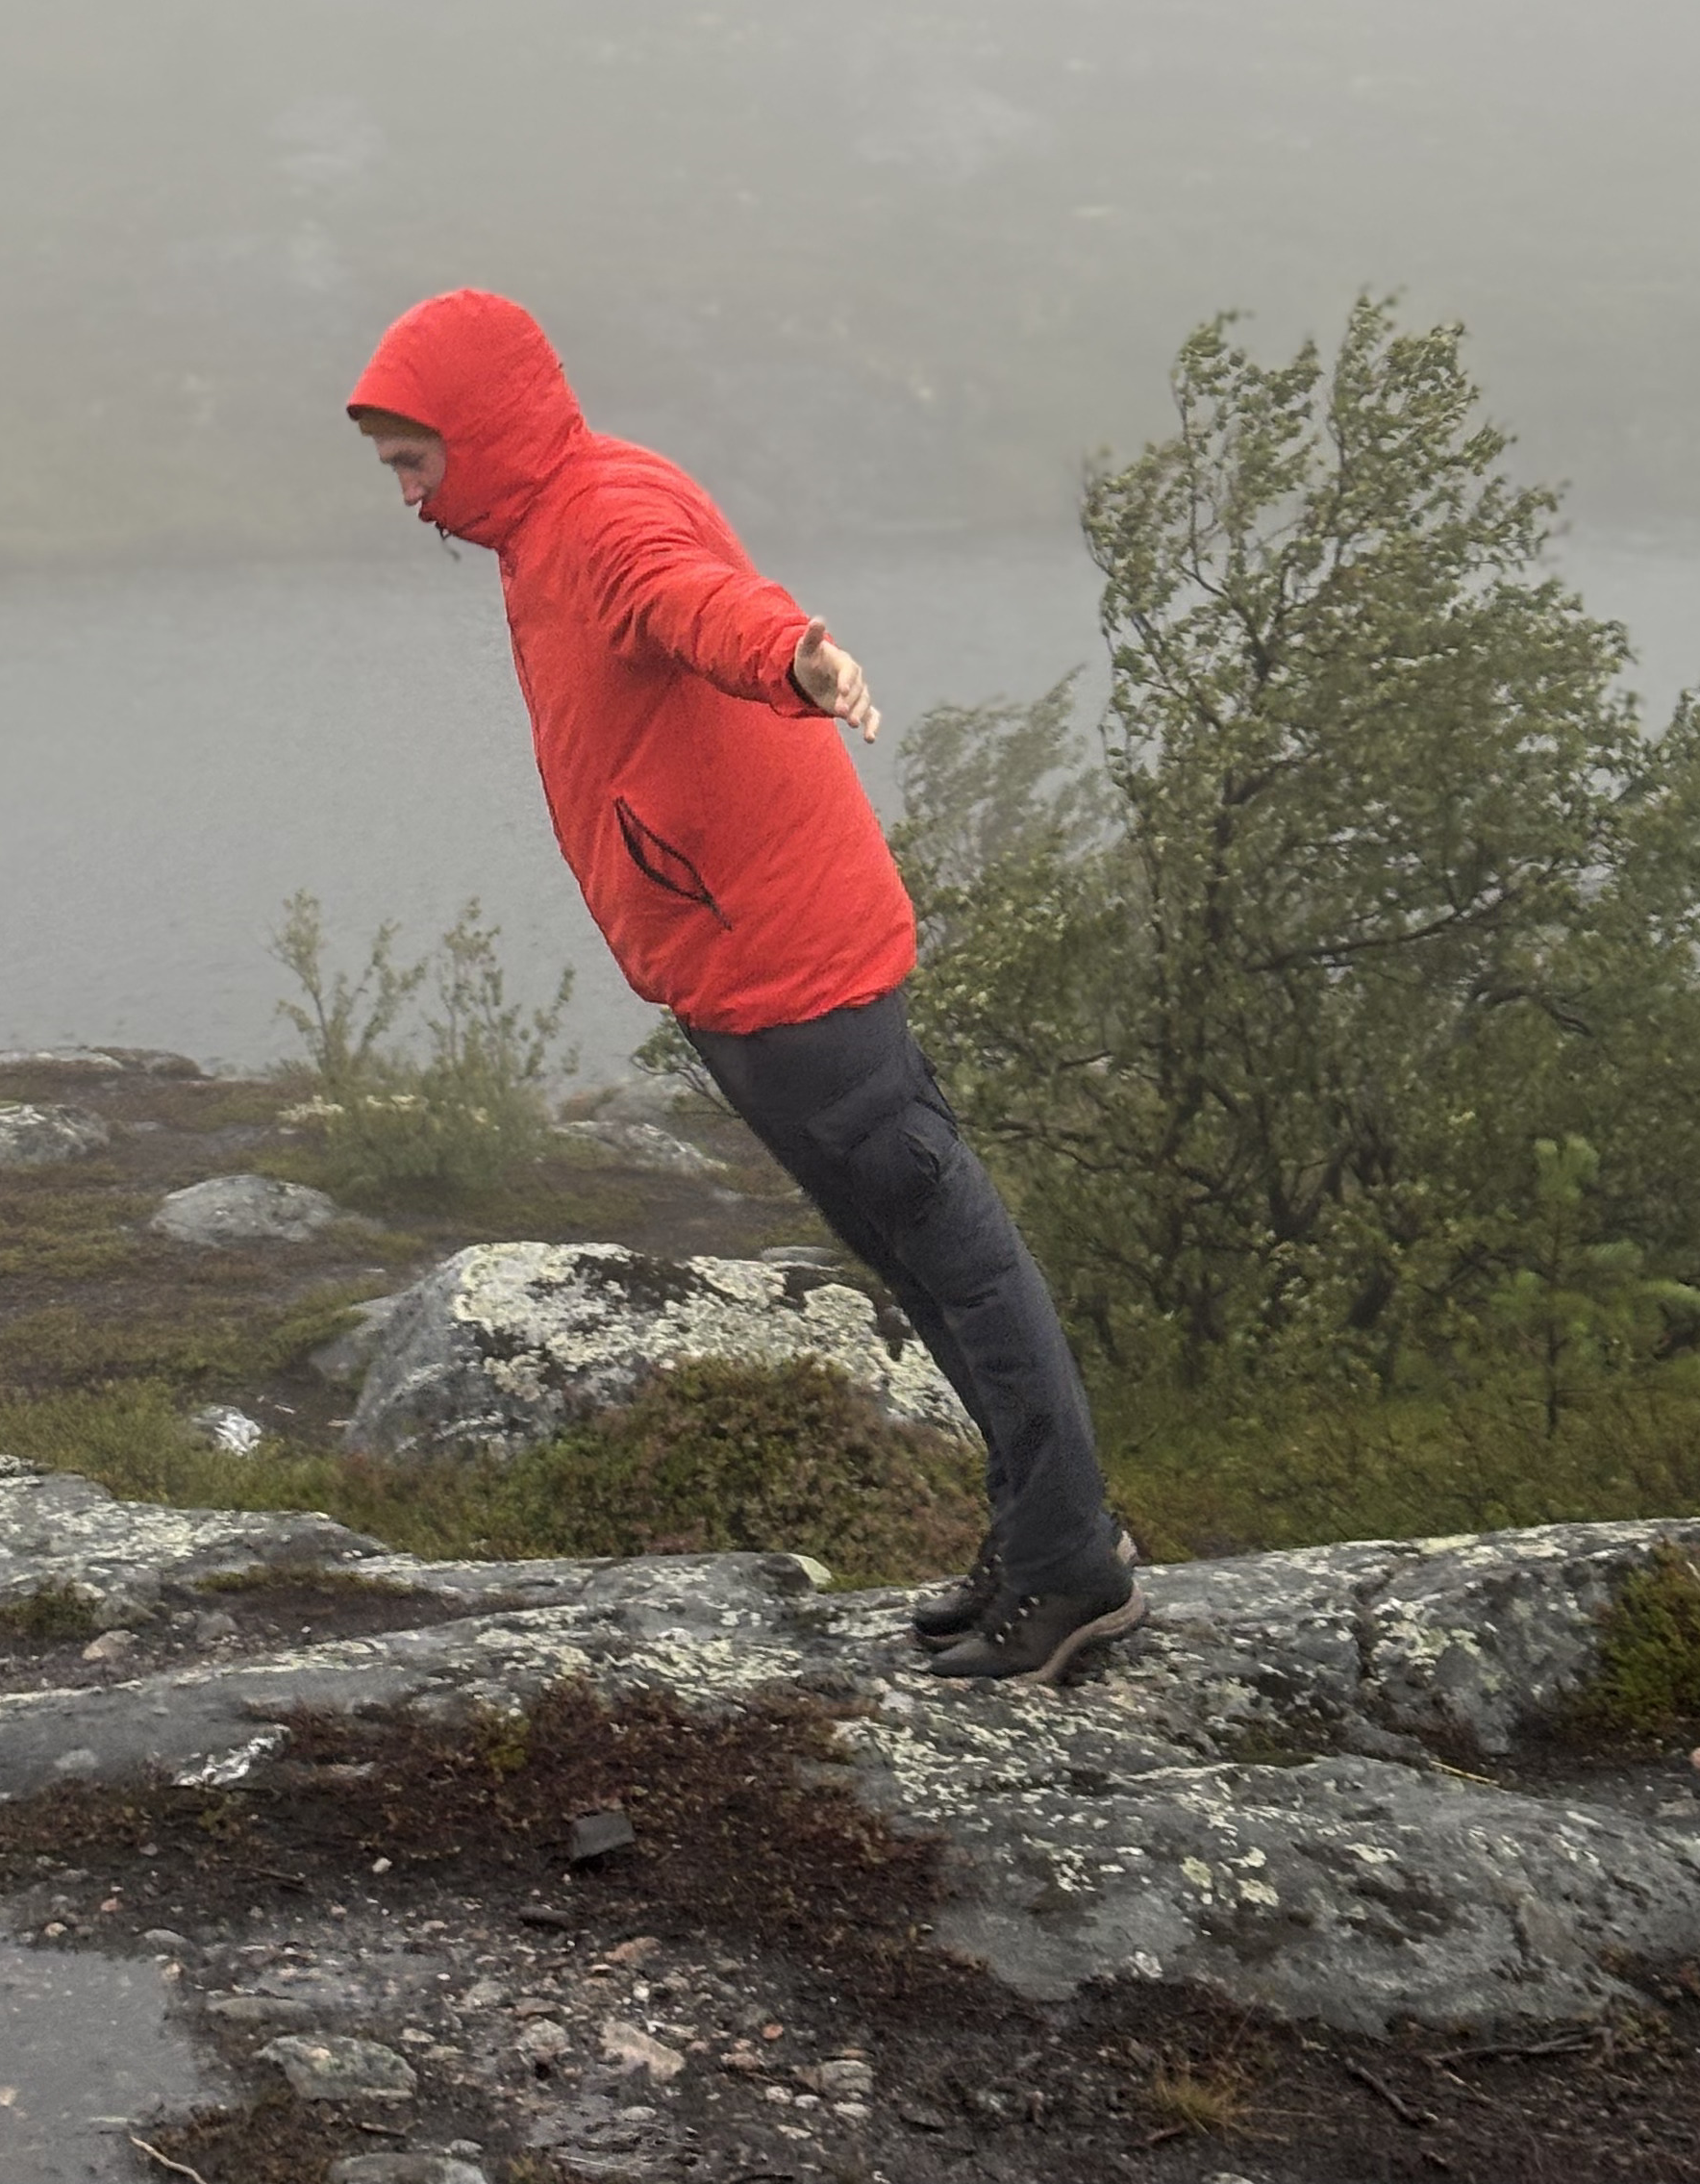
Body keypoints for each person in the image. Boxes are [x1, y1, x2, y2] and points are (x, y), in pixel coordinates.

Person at [345, 285, 1144, 1687]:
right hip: (748, 951)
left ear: (474, 429)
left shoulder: (592, 520)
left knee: (956, 1260)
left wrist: (795, 654)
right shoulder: (557, 513)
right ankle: (1040, 1536)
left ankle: (1072, 1564)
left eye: (416, 464)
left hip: (787, 965)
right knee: (920, 1260)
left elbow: (691, 598)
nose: (408, 498)